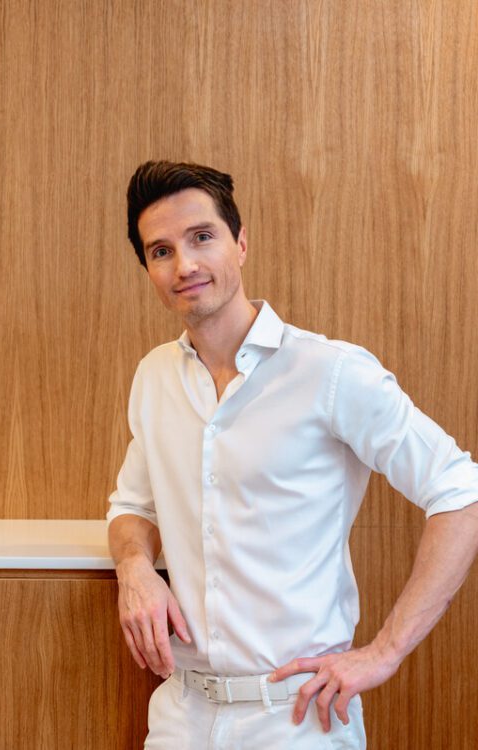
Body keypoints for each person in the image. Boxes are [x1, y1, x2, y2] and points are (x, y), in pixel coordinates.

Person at [106, 160, 478, 749]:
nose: (185, 265)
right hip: (181, 714)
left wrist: (386, 651)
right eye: (161, 251)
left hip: (297, 719)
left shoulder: (329, 372)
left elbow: (461, 491)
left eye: (202, 237)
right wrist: (134, 568)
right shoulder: (154, 377)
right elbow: (132, 506)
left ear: (241, 242)